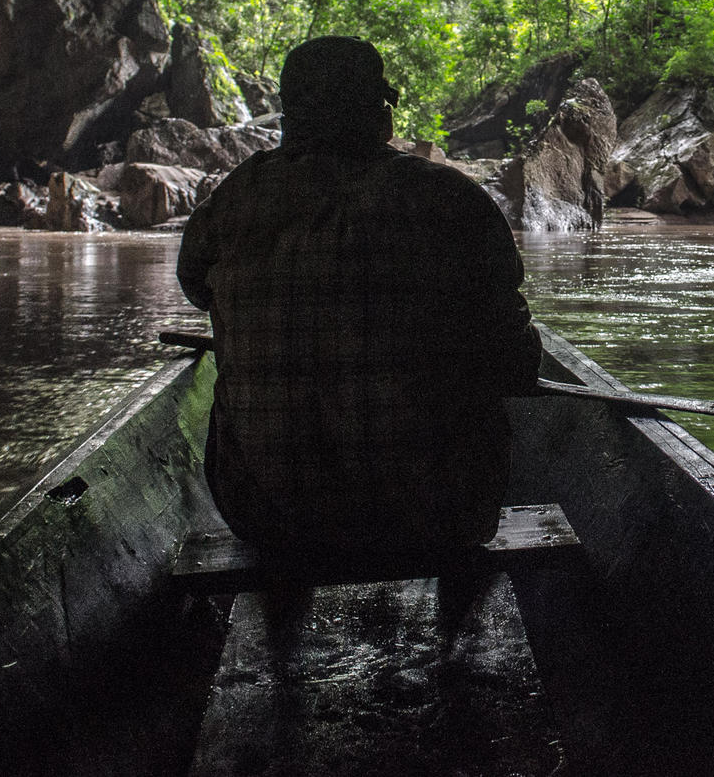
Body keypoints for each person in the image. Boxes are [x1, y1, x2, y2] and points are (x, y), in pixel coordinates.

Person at [176, 35, 540, 567]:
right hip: (432, 514)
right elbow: (516, 363)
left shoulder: (231, 200)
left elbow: (196, 291)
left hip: (265, 514)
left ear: (289, 116)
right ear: (381, 114)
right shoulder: (451, 198)